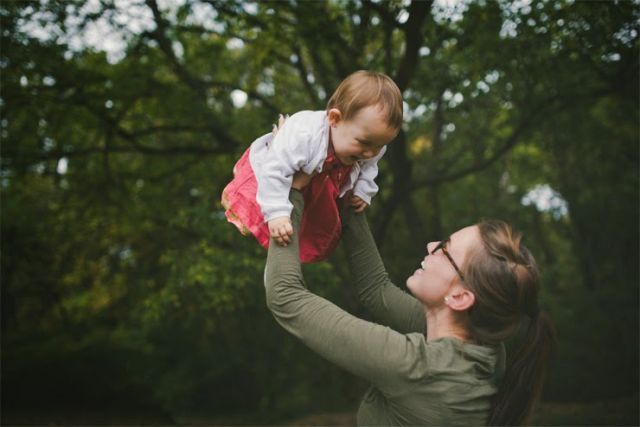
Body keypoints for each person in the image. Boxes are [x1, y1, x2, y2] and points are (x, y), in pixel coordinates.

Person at [264, 185, 556, 426]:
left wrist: (291, 193)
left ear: (460, 297)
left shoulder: (415, 366)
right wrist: (345, 190)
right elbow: (375, 290)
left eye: (444, 248)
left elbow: (285, 295)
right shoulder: (485, 349)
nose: (431, 246)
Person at [221, 70, 403, 263]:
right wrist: (276, 213)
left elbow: (370, 165)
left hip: (320, 183)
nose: (370, 152)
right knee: (278, 222)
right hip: (274, 176)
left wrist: (364, 189)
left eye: (380, 145)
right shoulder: (303, 135)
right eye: (364, 143)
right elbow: (274, 170)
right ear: (335, 119)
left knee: (309, 227)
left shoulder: (370, 144)